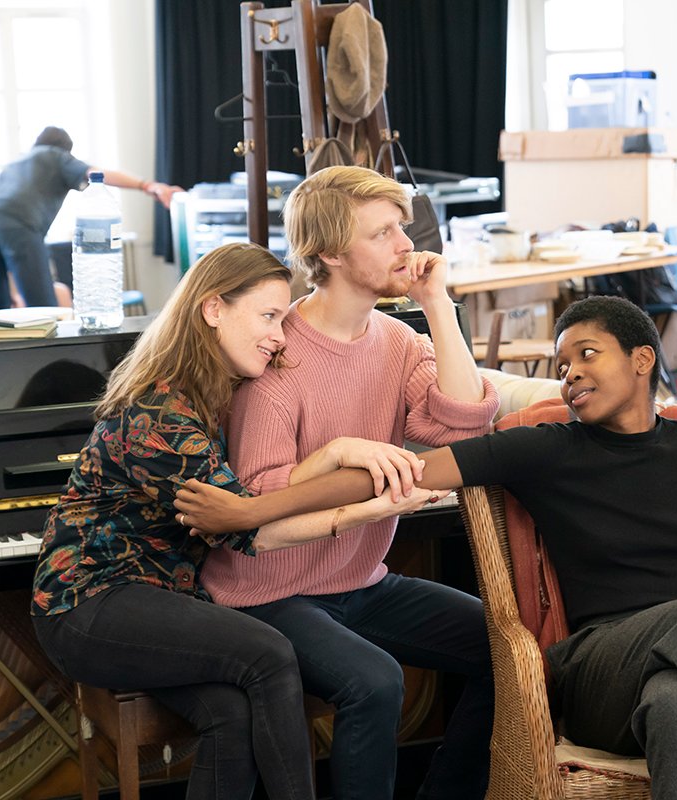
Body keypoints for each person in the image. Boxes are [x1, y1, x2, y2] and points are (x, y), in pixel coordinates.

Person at [179, 295, 677, 800]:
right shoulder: (547, 448)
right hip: (598, 668)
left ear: (644, 359)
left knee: (676, 706)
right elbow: (406, 472)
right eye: (563, 367)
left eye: (588, 355)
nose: (572, 376)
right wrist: (252, 509)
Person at [31, 242, 443, 800]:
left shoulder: (212, 391)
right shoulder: (160, 415)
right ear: (213, 309)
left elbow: (250, 498)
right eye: (269, 316)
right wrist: (374, 508)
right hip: (91, 602)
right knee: (268, 652)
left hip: (166, 598)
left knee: (231, 711)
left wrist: (333, 451)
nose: (281, 334)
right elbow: (250, 529)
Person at [198, 166, 499, 800]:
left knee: (508, 648)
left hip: (359, 582)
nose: (405, 245)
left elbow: (464, 425)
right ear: (331, 253)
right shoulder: (277, 354)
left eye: (402, 227)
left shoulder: (398, 339)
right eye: (383, 232)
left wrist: (437, 305)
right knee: (376, 681)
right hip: (267, 591)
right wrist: (341, 460)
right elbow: (260, 501)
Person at [0, 126, 182, 311]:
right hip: (19, 225)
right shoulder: (55, 155)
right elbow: (96, 174)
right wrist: (147, 185)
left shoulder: (16, 163)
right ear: (66, 150)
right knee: (43, 309)